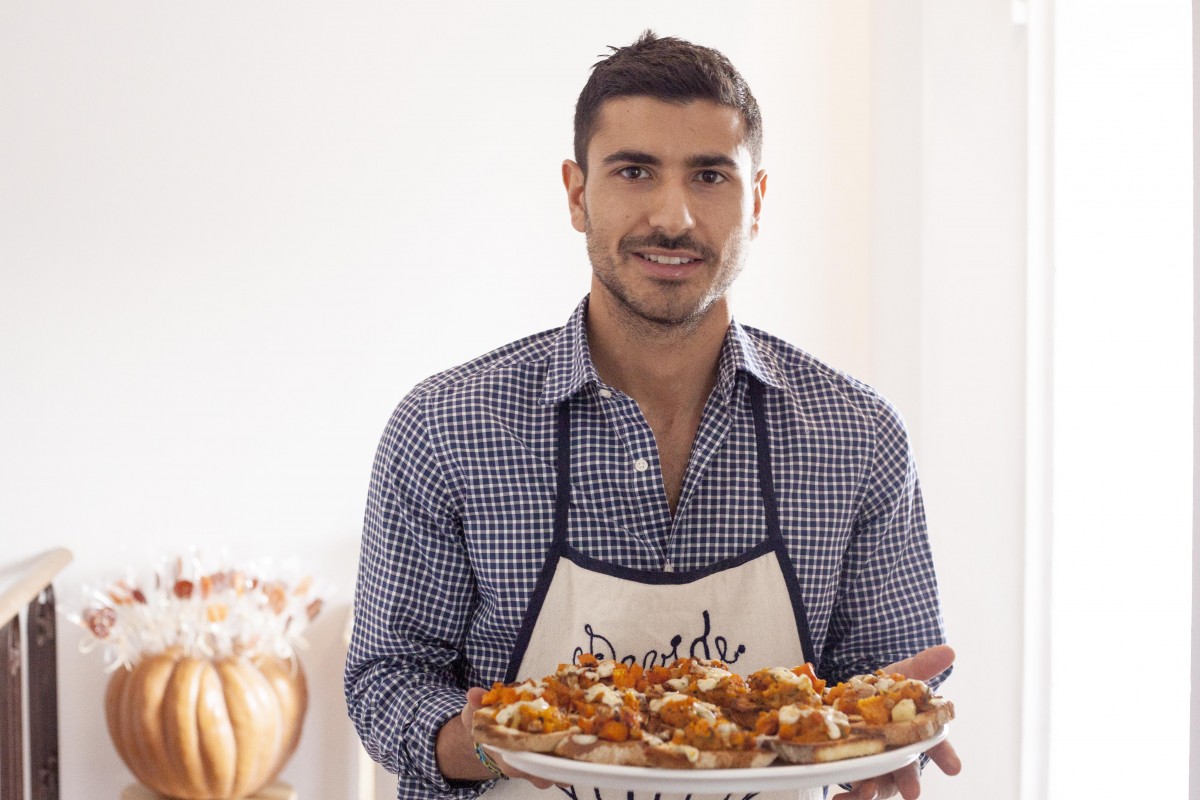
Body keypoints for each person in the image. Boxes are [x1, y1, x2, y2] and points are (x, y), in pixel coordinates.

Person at [345, 30, 960, 800]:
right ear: (577, 193)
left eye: (709, 175)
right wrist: (502, 743)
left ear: (757, 200)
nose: (672, 216)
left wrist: (886, 729)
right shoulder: (445, 427)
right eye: (634, 171)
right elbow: (385, 683)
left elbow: (885, 685)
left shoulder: (858, 436)